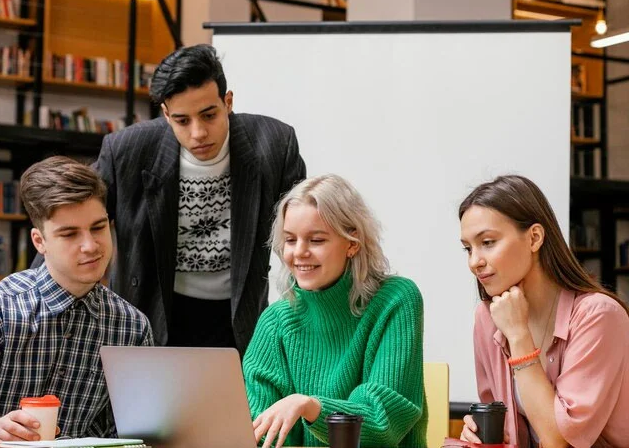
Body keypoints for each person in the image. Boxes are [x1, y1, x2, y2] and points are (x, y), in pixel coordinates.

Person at [84, 43, 304, 353]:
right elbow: (75, 216)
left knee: (233, 403)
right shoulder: (128, 150)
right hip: (152, 312)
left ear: (227, 102)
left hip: (238, 315)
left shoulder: (274, 144)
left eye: (208, 114)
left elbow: (303, 230)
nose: (198, 133)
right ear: (165, 114)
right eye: (182, 120)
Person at [0, 156, 153, 447]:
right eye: (69, 234)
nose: (90, 246)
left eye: (98, 228)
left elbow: (131, 432)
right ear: (40, 242)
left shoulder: (132, 327)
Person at [242, 174, 427, 448]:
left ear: (352, 243)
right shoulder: (275, 321)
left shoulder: (396, 300)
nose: (299, 252)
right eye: (290, 240)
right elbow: (259, 431)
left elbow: (382, 423)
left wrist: (310, 406)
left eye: (316, 240)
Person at [459, 175, 629, 448]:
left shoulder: (599, 316)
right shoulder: (488, 318)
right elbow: (501, 425)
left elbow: (559, 441)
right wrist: (480, 434)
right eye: (468, 248)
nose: (474, 262)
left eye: (488, 242)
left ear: (535, 238)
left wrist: (517, 335)